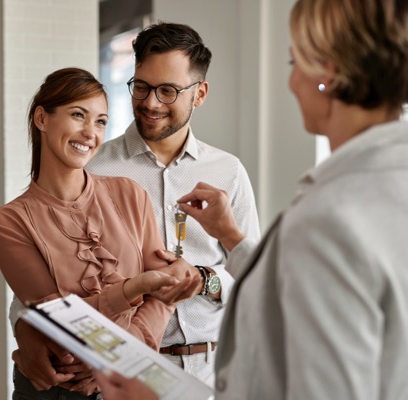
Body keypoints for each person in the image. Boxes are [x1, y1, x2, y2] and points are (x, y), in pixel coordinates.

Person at [94, 0, 408, 399]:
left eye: (295, 63)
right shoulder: (383, 187)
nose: (291, 82)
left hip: (202, 370)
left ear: (327, 72)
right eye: (142, 86)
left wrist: (204, 279)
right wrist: (231, 237)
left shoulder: (327, 214)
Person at [9, 22, 261, 388]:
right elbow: (37, 276)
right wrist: (23, 327)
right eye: (141, 87)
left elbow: (251, 278)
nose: (150, 103)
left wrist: (203, 279)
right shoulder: (92, 166)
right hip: (113, 370)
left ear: (200, 93)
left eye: (168, 91)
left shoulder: (229, 172)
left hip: (212, 370)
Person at [0, 67, 199, 400]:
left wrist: (126, 358)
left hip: (133, 379)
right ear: (42, 118)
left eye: (100, 121)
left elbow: (164, 292)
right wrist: (134, 288)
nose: (90, 132)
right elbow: (60, 326)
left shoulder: (130, 194)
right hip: (60, 390)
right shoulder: (9, 223)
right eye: (77, 115)